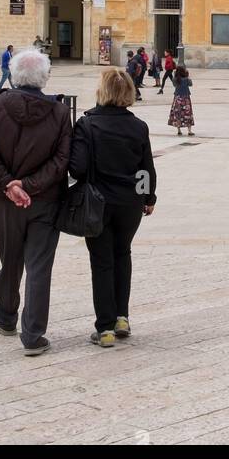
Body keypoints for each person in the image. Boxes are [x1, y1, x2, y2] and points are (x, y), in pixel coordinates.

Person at [0, 47, 72, 356]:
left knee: (10, 259)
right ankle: (33, 335)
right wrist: (29, 185)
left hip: (5, 201)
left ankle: (4, 317)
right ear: (44, 78)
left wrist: (8, 185)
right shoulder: (59, 112)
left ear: (14, 76)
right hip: (45, 200)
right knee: (39, 266)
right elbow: (62, 159)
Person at [68, 67, 156, 347]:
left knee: (102, 262)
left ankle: (104, 328)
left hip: (98, 204)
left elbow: (78, 168)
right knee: (123, 255)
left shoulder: (87, 124)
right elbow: (146, 170)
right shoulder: (138, 126)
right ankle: (122, 317)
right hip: (130, 204)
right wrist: (148, 198)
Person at [168, 65, 194, 136]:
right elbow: (191, 84)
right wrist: (188, 76)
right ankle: (189, 131)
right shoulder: (186, 79)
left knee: (178, 113)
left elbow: (174, 84)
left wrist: (175, 75)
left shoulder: (175, 79)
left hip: (178, 98)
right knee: (187, 113)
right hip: (186, 98)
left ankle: (179, 130)